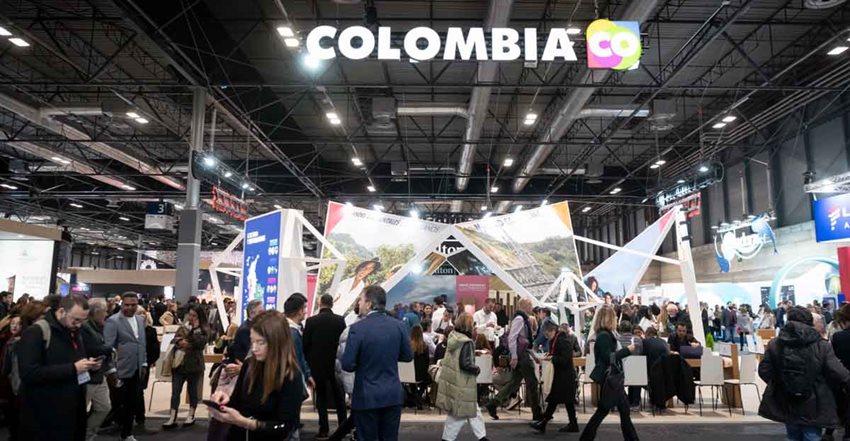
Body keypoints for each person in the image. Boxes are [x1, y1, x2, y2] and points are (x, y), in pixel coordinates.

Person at [209, 310, 303, 441]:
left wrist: (246, 422)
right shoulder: (249, 365)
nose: (254, 348)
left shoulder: (291, 375)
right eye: (252, 341)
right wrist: (223, 401)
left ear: (276, 342)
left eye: (260, 342)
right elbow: (238, 403)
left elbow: (285, 427)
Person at [759, 306, 850, 441]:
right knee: (812, 434)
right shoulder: (821, 345)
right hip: (815, 400)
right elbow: (838, 372)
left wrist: (782, 383)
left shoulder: (775, 344)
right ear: (810, 322)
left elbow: (764, 370)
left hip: (786, 398)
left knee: (792, 435)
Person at [18, 295, 102, 441]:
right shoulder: (36, 332)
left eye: (82, 321)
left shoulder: (74, 331)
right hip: (44, 413)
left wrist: (88, 366)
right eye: (76, 320)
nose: (79, 325)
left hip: (71, 409)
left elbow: (75, 360)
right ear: (62, 311)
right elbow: (29, 373)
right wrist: (73, 369)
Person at [341, 285, 414, 441]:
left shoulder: (357, 329)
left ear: (369, 304)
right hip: (392, 394)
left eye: (360, 300)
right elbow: (408, 356)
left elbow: (347, 364)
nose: (359, 303)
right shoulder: (399, 326)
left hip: (366, 396)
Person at [579, 306, 638, 441]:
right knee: (606, 410)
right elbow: (608, 358)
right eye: (614, 316)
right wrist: (627, 350)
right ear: (609, 318)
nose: (616, 318)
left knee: (619, 410)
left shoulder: (604, 335)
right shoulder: (604, 336)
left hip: (611, 378)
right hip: (610, 378)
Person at [485, 298, 542, 421]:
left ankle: (493, 403)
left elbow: (524, 342)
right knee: (532, 383)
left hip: (521, 355)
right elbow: (512, 338)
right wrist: (515, 356)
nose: (531, 307)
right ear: (524, 305)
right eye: (530, 304)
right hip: (522, 357)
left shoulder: (522, 319)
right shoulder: (520, 319)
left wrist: (534, 356)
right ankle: (537, 413)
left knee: (514, 383)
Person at [436, 312, 487, 441]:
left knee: (471, 410)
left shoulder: (453, 337)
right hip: (463, 382)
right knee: (461, 412)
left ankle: (482, 437)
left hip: (454, 380)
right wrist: (476, 369)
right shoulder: (467, 342)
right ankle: (448, 439)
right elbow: (465, 364)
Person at [103, 293, 148, 441]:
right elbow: (108, 348)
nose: (130, 307)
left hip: (137, 368)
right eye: (127, 304)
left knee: (132, 403)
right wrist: (111, 370)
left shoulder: (140, 320)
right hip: (120, 369)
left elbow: (142, 343)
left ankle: (127, 434)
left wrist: (143, 363)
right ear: (122, 304)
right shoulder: (113, 321)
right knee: (118, 404)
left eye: (133, 305)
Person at [304, 294, 347, 439]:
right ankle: (343, 428)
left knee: (321, 398)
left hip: (317, 365)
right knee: (339, 397)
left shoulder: (311, 321)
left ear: (320, 303)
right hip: (335, 364)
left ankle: (323, 429)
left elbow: (306, 345)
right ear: (332, 304)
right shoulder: (340, 320)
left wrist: (309, 365)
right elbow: (343, 342)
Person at [163, 304, 208, 429]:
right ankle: (172, 417)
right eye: (190, 315)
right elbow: (174, 340)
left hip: (194, 365)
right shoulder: (183, 326)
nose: (191, 317)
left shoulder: (203, 328)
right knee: (175, 392)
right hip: (179, 364)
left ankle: (191, 415)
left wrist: (195, 330)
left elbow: (200, 343)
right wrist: (180, 342)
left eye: (194, 315)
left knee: (192, 391)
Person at [531, 320, 579, 434]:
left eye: (547, 334)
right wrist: (551, 356)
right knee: (563, 401)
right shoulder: (557, 340)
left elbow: (565, 359)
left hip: (565, 376)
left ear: (553, 330)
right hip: (562, 375)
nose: (546, 336)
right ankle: (570, 424)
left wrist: (552, 358)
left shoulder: (562, 341)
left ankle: (544, 423)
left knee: (557, 400)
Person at [81, 298, 115, 441]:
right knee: (79, 411)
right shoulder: (84, 328)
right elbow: (92, 348)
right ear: (96, 312)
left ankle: (88, 435)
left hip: (99, 374)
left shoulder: (98, 327)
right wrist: (110, 348)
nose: (106, 314)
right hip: (86, 375)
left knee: (104, 407)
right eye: (104, 311)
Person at [284, 293, 314, 395]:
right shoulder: (292, 333)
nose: (305, 312)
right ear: (299, 311)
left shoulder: (288, 329)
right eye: (304, 308)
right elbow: (296, 361)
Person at [617, 320, 643, 408]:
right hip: (635, 372)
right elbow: (641, 353)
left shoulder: (617, 340)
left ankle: (620, 401)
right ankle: (635, 403)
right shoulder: (638, 340)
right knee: (636, 373)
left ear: (620, 329)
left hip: (620, 370)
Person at [408, 325, 431, 409]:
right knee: (428, 379)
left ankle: (415, 396)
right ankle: (419, 395)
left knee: (411, 381)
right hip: (421, 375)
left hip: (409, 374)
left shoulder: (408, 346)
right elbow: (427, 363)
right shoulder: (425, 347)